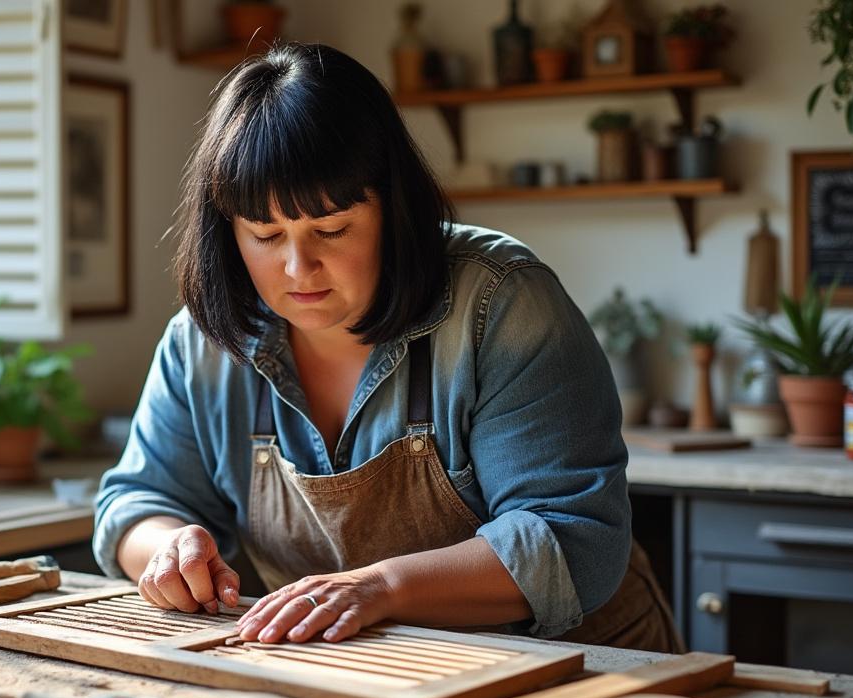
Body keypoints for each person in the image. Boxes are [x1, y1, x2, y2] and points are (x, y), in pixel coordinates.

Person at [93, 42, 681, 652]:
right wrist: (167, 546)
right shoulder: (205, 342)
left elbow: (570, 539)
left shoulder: (501, 304)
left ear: (392, 208)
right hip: (374, 673)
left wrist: (379, 587)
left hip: (584, 668)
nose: (299, 267)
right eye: (266, 234)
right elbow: (134, 501)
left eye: (332, 229)